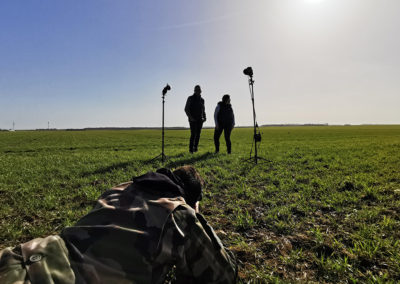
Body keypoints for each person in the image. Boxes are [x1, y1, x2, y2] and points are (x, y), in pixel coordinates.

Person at [0, 166, 237, 284]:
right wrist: (196, 216)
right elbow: (224, 274)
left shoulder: (120, 188)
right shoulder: (179, 213)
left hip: (22, 256)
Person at [185, 85, 206, 153]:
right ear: (194, 91)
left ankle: (195, 148)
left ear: (201, 91)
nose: (197, 91)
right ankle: (191, 150)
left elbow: (203, 110)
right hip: (192, 120)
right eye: (196, 90)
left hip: (200, 119)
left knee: (198, 134)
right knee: (193, 134)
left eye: (199, 90)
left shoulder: (202, 100)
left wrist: (204, 117)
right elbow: (186, 109)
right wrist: (190, 117)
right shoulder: (190, 98)